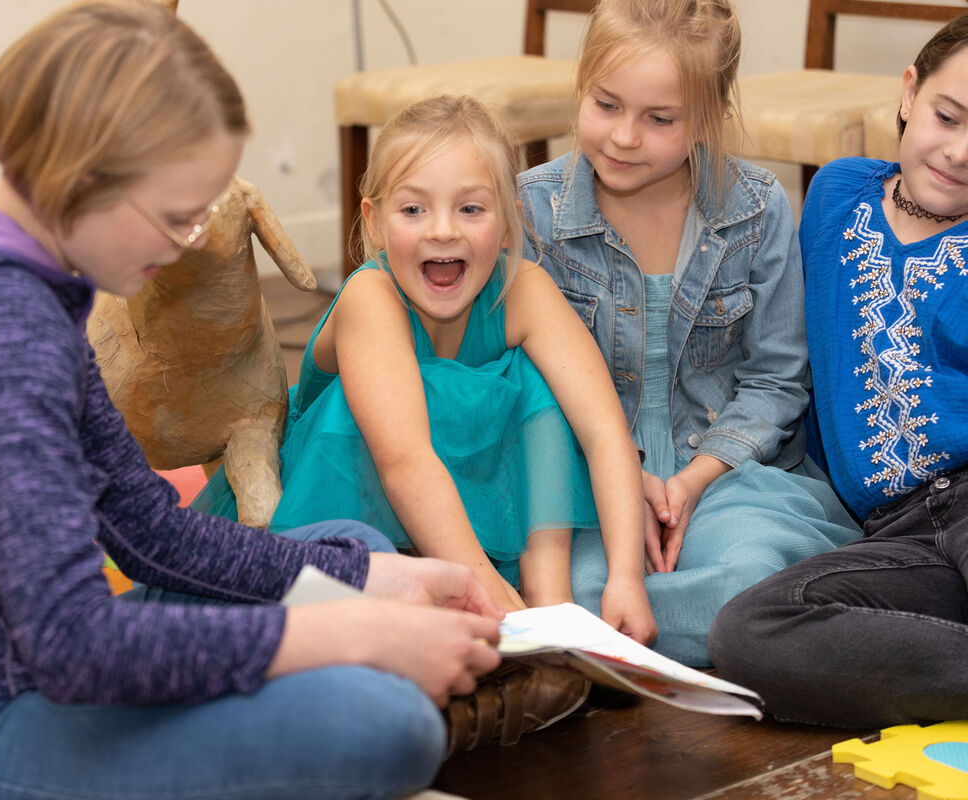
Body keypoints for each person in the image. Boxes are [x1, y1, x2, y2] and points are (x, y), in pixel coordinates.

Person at [0, 3, 507, 799]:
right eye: (175, 215)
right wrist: (347, 631)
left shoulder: (25, 285)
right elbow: (72, 641)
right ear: (84, 179)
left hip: (22, 669)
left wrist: (367, 588)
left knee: (354, 553)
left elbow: (149, 533)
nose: (192, 239)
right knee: (381, 724)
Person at [198, 94, 657, 639]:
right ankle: (482, 597)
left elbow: (605, 431)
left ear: (508, 222)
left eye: (471, 208)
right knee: (392, 397)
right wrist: (490, 599)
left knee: (536, 380)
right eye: (414, 209)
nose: (443, 230)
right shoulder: (373, 295)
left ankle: (547, 588)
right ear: (374, 221)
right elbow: (405, 461)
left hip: (456, 500)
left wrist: (627, 578)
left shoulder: (524, 288)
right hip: (344, 498)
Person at [518, 0, 862, 666]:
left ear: (705, 118)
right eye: (606, 104)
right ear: (580, 87)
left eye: (659, 119)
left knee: (751, 574)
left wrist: (693, 480)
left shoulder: (759, 209)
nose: (623, 137)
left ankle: (614, 644)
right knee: (579, 586)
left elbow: (777, 377)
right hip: (589, 474)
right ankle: (663, 633)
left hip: (729, 476)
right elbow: (530, 382)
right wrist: (626, 474)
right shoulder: (533, 210)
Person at [709, 14, 968, 727]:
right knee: (748, 635)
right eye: (949, 116)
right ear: (910, 92)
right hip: (901, 533)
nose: (960, 151)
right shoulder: (836, 195)